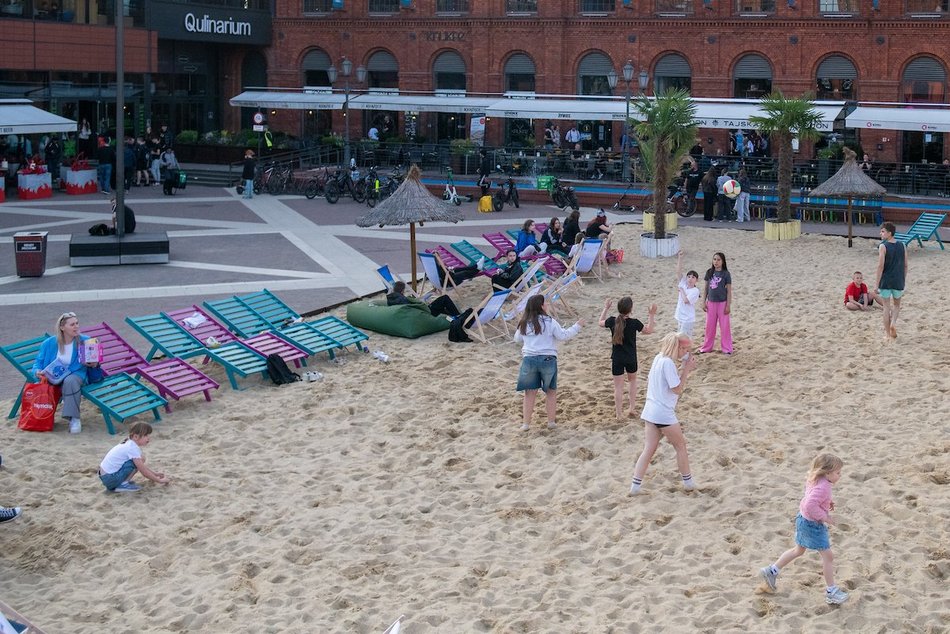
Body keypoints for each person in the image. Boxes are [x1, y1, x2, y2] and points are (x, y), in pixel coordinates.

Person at [759, 454, 849, 605]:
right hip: (813, 526)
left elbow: (811, 498)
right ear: (827, 473)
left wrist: (827, 503)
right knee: (828, 557)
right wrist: (825, 517)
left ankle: (772, 571)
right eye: (838, 473)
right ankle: (831, 591)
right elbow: (809, 505)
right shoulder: (824, 487)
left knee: (798, 550)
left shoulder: (817, 479)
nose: (840, 475)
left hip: (802, 520)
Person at [629, 332, 698, 495]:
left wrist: (682, 367)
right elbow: (677, 389)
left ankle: (635, 487)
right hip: (663, 413)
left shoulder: (659, 357)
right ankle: (688, 482)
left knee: (648, 449)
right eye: (685, 350)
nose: (686, 353)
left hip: (651, 410)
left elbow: (669, 382)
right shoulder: (667, 363)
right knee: (680, 446)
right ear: (678, 347)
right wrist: (687, 369)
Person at [514, 295, 582, 431]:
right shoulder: (550, 322)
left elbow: (517, 339)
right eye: (546, 303)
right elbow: (563, 335)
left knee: (529, 393)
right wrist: (577, 326)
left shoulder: (525, 322)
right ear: (541, 306)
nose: (548, 305)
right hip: (547, 359)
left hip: (530, 359)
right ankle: (551, 422)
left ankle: (526, 424)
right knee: (550, 391)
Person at [29, 312, 101, 434]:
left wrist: (94, 364)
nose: (76, 326)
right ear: (62, 327)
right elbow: (37, 363)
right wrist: (37, 372)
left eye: (77, 323)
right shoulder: (49, 343)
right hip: (53, 378)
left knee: (70, 380)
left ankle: (74, 418)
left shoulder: (86, 341)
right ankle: (44, 417)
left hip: (76, 376)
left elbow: (95, 363)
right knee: (63, 381)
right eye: (72, 324)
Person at [599, 297, 656, 420]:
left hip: (617, 358)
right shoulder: (634, 322)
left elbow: (600, 322)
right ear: (631, 309)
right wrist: (651, 315)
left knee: (618, 387)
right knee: (632, 382)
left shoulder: (612, 321)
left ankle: (618, 414)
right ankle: (631, 408)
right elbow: (649, 330)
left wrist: (605, 308)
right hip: (631, 358)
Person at [98, 422, 171, 493]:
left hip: (107, 477)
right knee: (138, 461)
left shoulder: (129, 443)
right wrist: (160, 481)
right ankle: (122, 485)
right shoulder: (132, 448)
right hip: (111, 478)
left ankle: (123, 482)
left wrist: (155, 474)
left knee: (140, 459)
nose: (148, 438)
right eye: (146, 435)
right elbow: (143, 470)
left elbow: (142, 466)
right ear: (136, 436)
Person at [874, 222, 908, 339]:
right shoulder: (902, 245)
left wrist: (876, 284)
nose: (881, 233)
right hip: (898, 280)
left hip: (886, 281)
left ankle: (888, 334)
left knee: (886, 307)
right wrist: (903, 279)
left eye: (883, 231)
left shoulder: (883, 246)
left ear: (889, 233)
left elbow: (880, 266)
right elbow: (905, 265)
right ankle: (893, 322)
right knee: (897, 305)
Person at [698, 252, 733, 355]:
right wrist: (703, 302)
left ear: (722, 261)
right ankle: (706, 347)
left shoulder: (726, 274)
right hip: (711, 303)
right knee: (709, 327)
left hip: (722, 303)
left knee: (725, 327)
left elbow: (729, 291)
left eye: (718, 260)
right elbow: (705, 288)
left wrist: (728, 305)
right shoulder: (709, 272)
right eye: (714, 259)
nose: (716, 262)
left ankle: (727, 348)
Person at [386, 280, 459, 318]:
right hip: (424, 312)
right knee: (444, 298)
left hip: (419, 311)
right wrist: (423, 302)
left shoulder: (390, 299)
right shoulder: (402, 299)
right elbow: (413, 308)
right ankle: (457, 315)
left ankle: (452, 317)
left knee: (440, 307)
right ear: (402, 290)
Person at [674, 250, 701, 336]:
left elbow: (686, 300)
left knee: (685, 338)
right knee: (679, 337)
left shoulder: (695, 291)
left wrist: (681, 290)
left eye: (693, 277)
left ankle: (688, 350)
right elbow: (678, 271)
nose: (690, 278)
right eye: (689, 276)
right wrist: (680, 258)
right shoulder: (683, 283)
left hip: (688, 318)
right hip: (680, 315)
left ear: (696, 280)